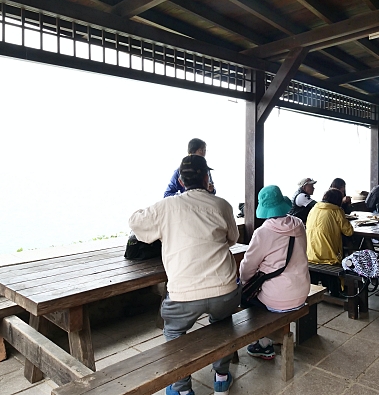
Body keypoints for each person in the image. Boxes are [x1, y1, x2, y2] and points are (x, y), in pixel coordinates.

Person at [129, 155, 239, 395]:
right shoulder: (222, 204)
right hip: (225, 289)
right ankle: (221, 378)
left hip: (184, 293)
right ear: (206, 178)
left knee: (175, 332)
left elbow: (136, 223)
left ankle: (181, 389)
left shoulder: (166, 206)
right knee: (222, 323)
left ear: (180, 179)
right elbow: (233, 239)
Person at [239, 185, 310, 360]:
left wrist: (244, 281)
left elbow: (247, 268)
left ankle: (263, 343)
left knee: (243, 296)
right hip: (302, 291)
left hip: (278, 299)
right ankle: (270, 335)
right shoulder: (299, 224)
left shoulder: (263, 232)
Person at [306, 188, 354, 294]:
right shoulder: (336, 210)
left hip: (310, 254)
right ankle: (337, 290)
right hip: (329, 257)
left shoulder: (314, 208)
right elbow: (349, 231)